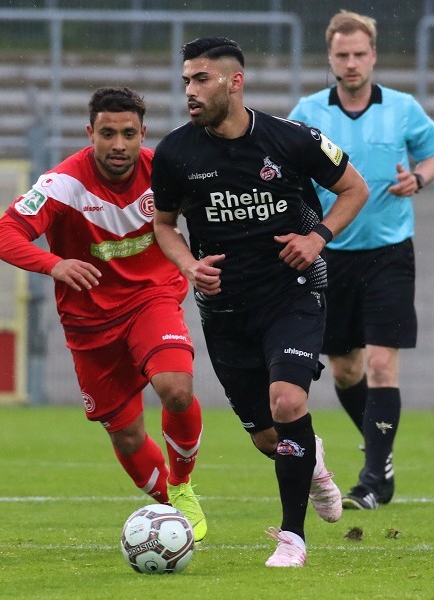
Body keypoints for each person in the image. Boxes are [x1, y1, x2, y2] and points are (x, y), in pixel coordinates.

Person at [152, 37, 369, 567]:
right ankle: (312, 460)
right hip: (225, 311)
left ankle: (292, 538)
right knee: (272, 437)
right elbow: (164, 226)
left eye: (201, 79)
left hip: (290, 296)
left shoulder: (291, 139)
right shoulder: (176, 153)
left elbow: (355, 189)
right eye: (185, 80)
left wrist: (317, 237)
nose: (190, 91)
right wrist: (188, 265)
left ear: (234, 81)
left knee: (288, 402)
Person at [0, 87, 207, 541]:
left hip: (152, 299)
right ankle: (174, 513)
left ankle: (182, 486)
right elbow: (1, 235)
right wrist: (55, 263)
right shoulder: (63, 183)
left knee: (176, 389)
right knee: (126, 437)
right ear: (91, 133)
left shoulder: (164, 171)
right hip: (90, 324)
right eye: (108, 133)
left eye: (129, 133)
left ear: (143, 133)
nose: (119, 144)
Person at [288, 10, 434, 510]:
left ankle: (374, 477)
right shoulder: (309, 112)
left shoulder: (402, 108)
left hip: (390, 252)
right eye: (342, 55)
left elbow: (433, 154)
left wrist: (417, 179)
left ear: (373, 55)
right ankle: (384, 457)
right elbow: (287, 169)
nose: (351, 63)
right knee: (346, 370)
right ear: (330, 58)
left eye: (359, 54)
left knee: (381, 362)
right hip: (331, 254)